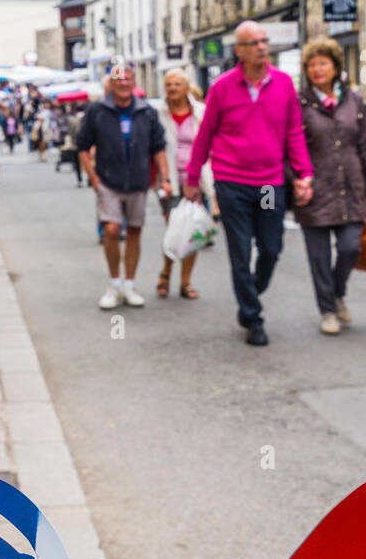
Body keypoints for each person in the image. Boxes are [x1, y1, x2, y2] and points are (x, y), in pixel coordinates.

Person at [184, 21, 314, 346]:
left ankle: (249, 295)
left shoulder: (283, 84)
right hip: (232, 184)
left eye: (264, 40)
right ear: (239, 50)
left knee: (270, 247)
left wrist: (304, 173)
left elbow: (294, 132)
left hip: (269, 184)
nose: (261, 46)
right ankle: (253, 318)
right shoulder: (223, 88)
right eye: (253, 42)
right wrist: (192, 177)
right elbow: (205, 135)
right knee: (241, 251)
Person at [295, 38, 366, 334]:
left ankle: (337, 292)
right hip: (314, 188)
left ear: (335, 67)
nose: (317, 69)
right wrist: (295, 179)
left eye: (323, 63)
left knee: (350, 247)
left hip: (351, 186)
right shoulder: (299, 103)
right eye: (312, 64)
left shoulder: (353, 101)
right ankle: (327, 312)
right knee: (319, 258)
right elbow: (289, 146)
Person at [77, 60, 170, 309]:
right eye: (118, 80)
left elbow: (159, 147)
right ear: (110, 84)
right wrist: (93, 178)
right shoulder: (97, 111)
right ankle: (114, 283)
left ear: (134, 82)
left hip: (138, 182)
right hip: (108, 181)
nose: (123, 84)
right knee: (110, 230)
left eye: (127, 79)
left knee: (134, 232)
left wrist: (165, 178)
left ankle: (129, 284)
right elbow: (82, 147)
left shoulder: (146, 112)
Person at [155, 68, 214, 300]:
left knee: (192, 231)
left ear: (187, 88)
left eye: (177, 84)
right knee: (174, 229)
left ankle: (186, 281)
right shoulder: (157, 113)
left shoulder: (201, 112)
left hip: (197, 180)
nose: (172, 89)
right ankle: (166, 273)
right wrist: (162, 177)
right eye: (169, 84)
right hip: (168, 179)